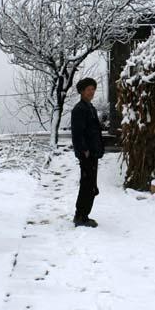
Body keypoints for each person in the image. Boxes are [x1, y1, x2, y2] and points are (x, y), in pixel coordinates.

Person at [70, 77, 104, 227]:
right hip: (86, 154)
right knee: (87, 185)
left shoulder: (90, 108)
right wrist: (84, 150)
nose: (92, 92)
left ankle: (83, 215)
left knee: (90, 184)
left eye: (93, 89)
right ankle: (81, 216)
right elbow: (78, 133)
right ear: (82, 91)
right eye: (89, 89)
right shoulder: (79, 109)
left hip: (93, 152)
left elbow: (94, 131)